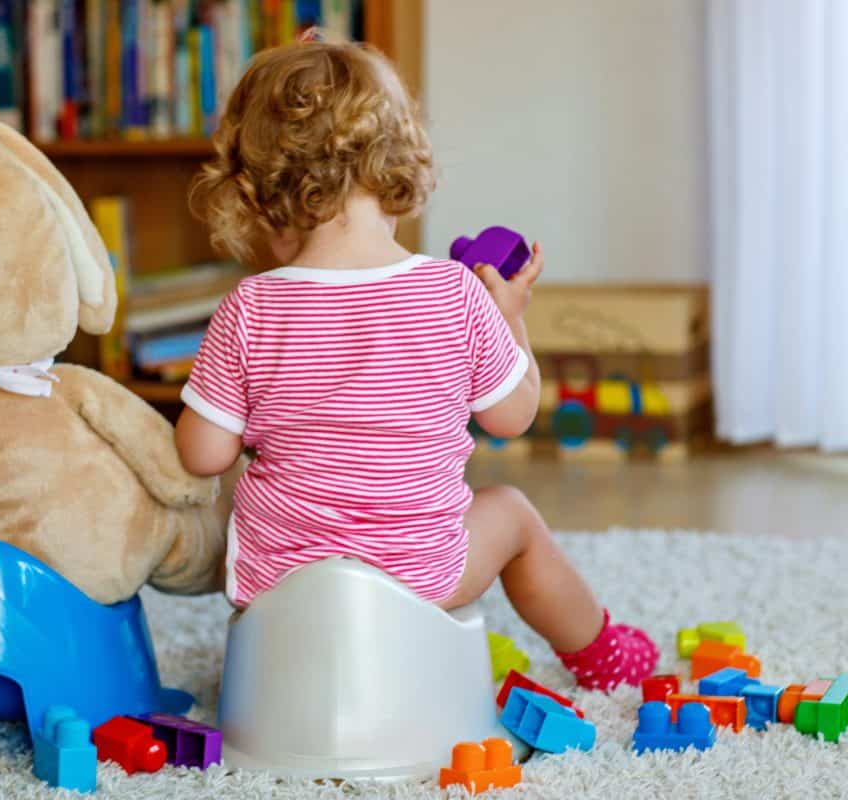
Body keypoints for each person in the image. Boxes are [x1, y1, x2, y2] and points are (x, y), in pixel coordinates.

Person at [174, 40, 657, 690]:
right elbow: (512, 415)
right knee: (511, 510)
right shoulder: (454, 293)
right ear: (397, 166)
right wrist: (510, 316)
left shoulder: (250, 306)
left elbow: (203, 454)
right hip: (421, 576)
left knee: (246, 495)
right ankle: (601, 653)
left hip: (280, 588)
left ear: (261, 189)